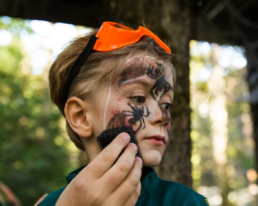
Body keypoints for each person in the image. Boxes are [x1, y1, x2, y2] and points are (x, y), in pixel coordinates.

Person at [38, 22, 210, 206]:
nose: (163, 116)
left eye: (166, 105)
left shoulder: (186, 202)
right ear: (81, 117)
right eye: (138, 99)